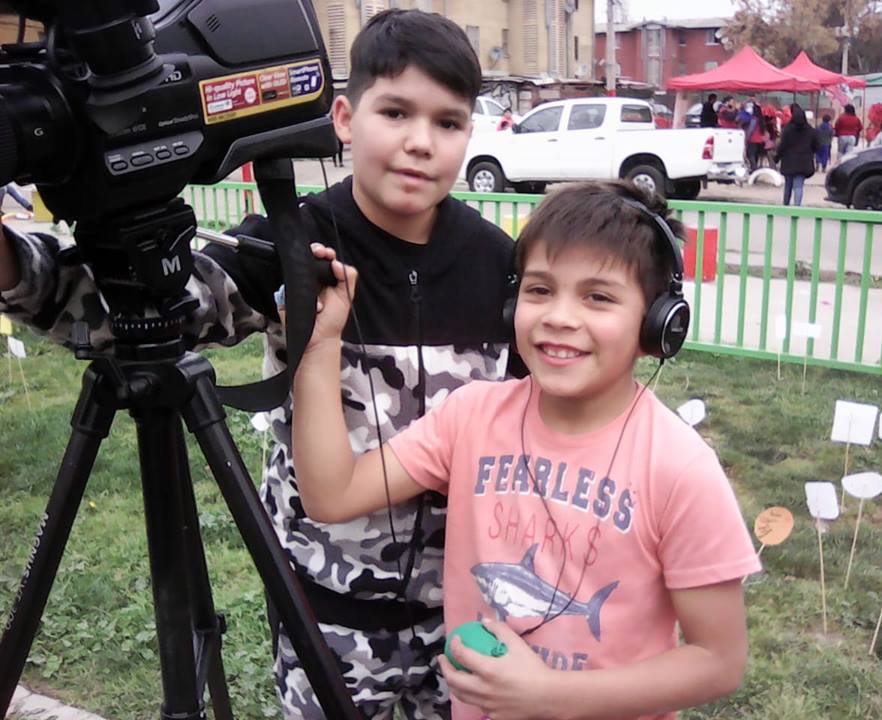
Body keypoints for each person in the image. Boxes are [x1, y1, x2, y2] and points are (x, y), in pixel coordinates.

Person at [0, 9, 521, 720]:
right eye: (395, 111)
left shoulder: (501, 265)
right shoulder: (291, 245)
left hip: (470, 621)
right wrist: (13, 267)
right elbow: (137, 313)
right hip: (327, 625)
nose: (419, 143)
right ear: (342, 116)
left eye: (448, 122)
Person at [292, 180, 761, 720]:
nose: (559, 316)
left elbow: (718, 661)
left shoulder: (680, 468)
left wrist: (550, 697)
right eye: (540, 290)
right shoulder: (470, 417)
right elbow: (332, 495)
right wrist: (321, 343)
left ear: (658, 323)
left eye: (598, 297)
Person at [775, 103, 819, 207]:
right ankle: (797, 207)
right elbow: (817, 145)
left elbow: (782, 146)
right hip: (804, 161)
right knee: (799, 186)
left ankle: (786, 205)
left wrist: (777, 157)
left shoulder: (787, 130)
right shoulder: (811, 131)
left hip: (789, 161)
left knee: (788, 185)